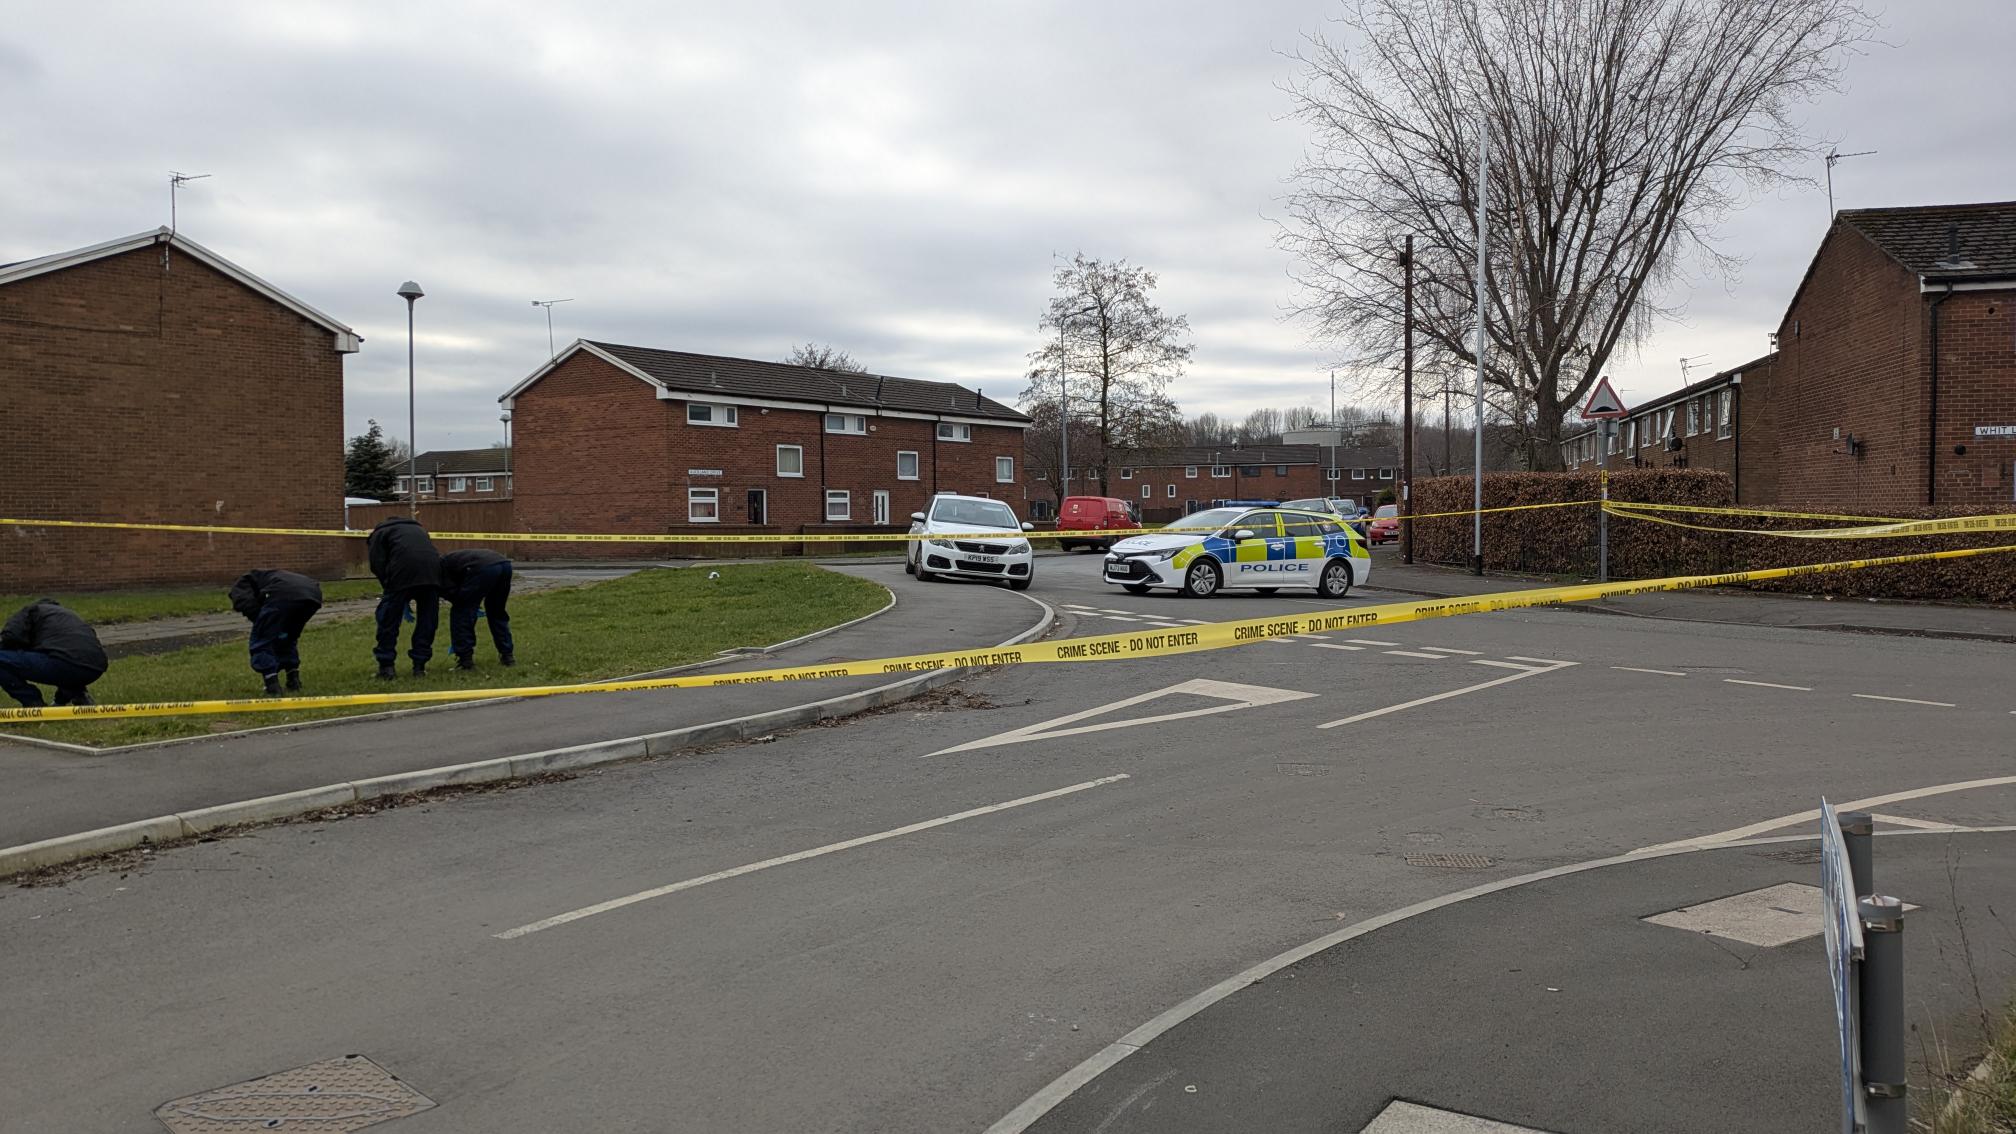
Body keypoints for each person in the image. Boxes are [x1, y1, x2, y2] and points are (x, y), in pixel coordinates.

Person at [367, 515, 443, 679]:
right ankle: (420, 666)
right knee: (427, 621)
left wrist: (387, 586)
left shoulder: (380, 532)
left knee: (388, 620)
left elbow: (376, 563)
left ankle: (386, 667)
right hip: (432, 575)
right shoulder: (420, 530)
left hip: (401, 575)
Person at [228, 569, 324, 696]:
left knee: (262, 639)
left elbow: (247, 605)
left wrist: (259, 620)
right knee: (287, 636)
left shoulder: (241, 586)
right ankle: (293, 679)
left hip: (283, 593)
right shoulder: (265, 577)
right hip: (312, 594)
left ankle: (272, 684)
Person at [0, 599, 108, 709]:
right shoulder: (65, 615)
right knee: (64, 657)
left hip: (66, 662)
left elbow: (10, 637)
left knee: (2, 659)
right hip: (96, 668)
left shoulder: (29, 612)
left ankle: (33, 702)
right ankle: (78, 696)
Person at [441, 548, 515, 669]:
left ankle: (465, 660)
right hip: (504, 564)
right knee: (497, 611)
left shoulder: (440, 568)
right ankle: (507, 655)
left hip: (482, 567)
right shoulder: (449, 559)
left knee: (461, 612)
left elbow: (452, 593)